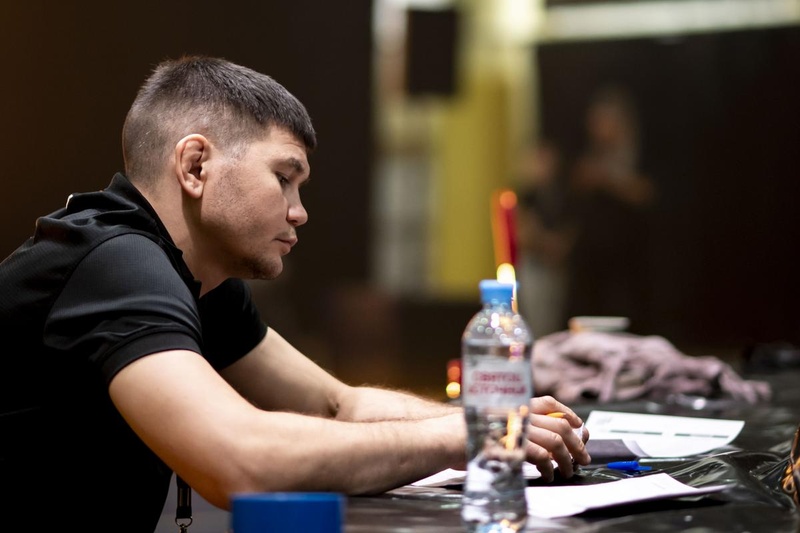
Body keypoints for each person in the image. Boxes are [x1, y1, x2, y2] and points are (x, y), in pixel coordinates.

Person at [0, 55, 590, 532]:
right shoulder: (116, 261)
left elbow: (336, 405)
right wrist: (473, 435)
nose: (299, 211)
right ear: (196, 166)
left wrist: (491, 419)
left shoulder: (198, 280)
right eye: (283, 178)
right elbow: (240, 460)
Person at [564, 85, 656, 327]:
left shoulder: (639, 154)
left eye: (604, 121)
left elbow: (646, 193)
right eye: (594, 121)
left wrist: (606, 178)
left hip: (628, 262)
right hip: (590, 262)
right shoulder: (587, 154)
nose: (598, 128)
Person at [515, 139, 576, 336]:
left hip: (557, 266)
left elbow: (570, 232)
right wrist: (541, 240)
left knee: (554, 320)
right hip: (533, 266)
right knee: (533, 320)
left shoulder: (565, 196)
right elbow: (523, 234)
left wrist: (554, 244)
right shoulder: (525, 196)